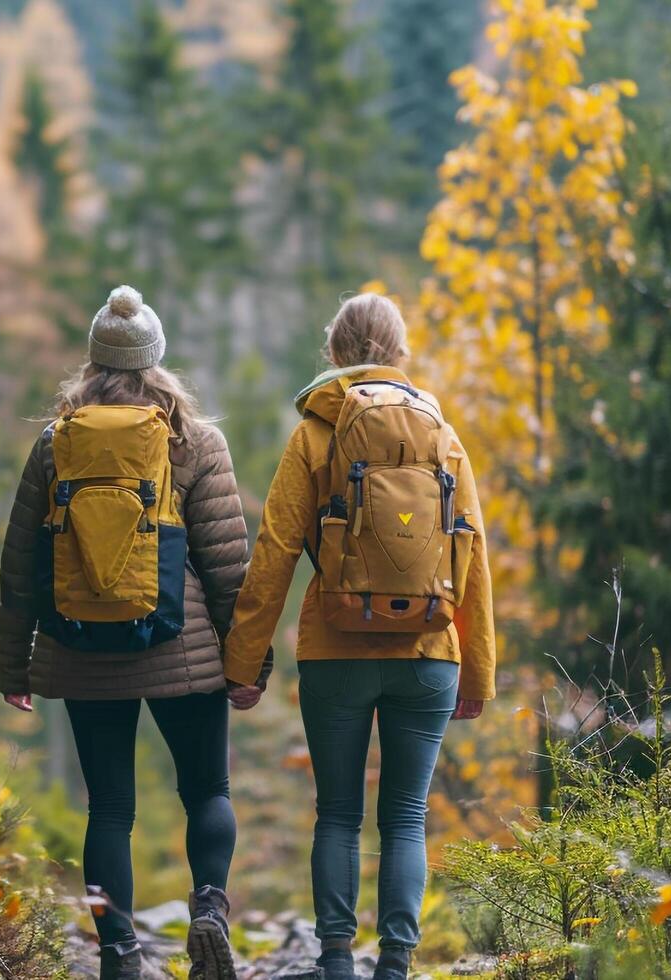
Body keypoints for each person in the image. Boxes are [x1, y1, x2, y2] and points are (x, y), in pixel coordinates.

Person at [223, 293, 496, 980]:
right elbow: (474, 555)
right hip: (428, 653)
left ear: (334, 353)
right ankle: (396, 964)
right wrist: (477, 674)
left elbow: (276, 549)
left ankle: (338, 963)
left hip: (335, 646)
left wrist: (244, 661)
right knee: (404, 816)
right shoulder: (442, 434)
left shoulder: (318, 430)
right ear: (399, 352)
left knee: (337, 816)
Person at [0, 286, 260, 980]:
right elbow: (227, 565)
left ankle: (118, 953)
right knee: (207, 791)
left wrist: (12, 666)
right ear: (156, 361)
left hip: (82, 648)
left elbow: (20, 565)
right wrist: (245, 665)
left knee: (109, 809)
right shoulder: (195, 441)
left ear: (93, 361)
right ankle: (208, 908)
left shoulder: (56, 444)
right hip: (185, 647)